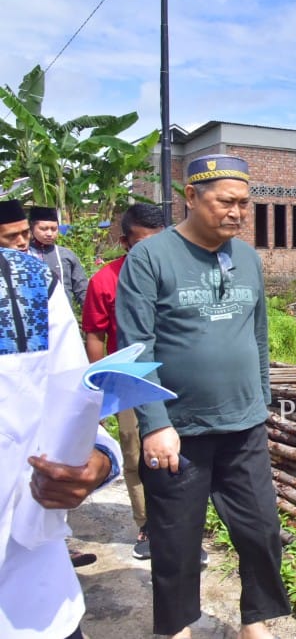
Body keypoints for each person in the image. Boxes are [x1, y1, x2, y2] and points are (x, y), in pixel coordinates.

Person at [116, 155, 289, 639]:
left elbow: (258, 336)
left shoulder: (248, 257)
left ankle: (257, 620)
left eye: (243, 203)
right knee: (176, 541)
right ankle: (177, 626)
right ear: (190, 197)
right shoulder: (149, 258)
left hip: (243, 424)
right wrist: (154, 424)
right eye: (224, 202)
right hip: (178, 431)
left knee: (260, 532)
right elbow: (134, 347)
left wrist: (262, 404)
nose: (235, 212)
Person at [0, 245, 123, 639]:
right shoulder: (106, 278)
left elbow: (72, 403)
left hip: (29, 594)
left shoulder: (26, 283)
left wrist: (95, 461)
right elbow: (96, 331)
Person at [81, 203, 166, 561]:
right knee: (136, 454)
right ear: (125, 242)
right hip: (130, 378)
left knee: (184, 454)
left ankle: (183, 527)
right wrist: (101, 388)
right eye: (141, 244)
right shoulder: (105, 280)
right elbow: (95, 335)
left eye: (158, 244)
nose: (149, 253)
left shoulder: (174, 275)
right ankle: (147, 525)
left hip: (173, 376)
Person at [27, 206, 88, 308]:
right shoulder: (23, 255)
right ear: (31, 229)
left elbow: (81, 289)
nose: (49, 234)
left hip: (63, 315)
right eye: (43, 229)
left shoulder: (66, 255)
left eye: (54, 229)